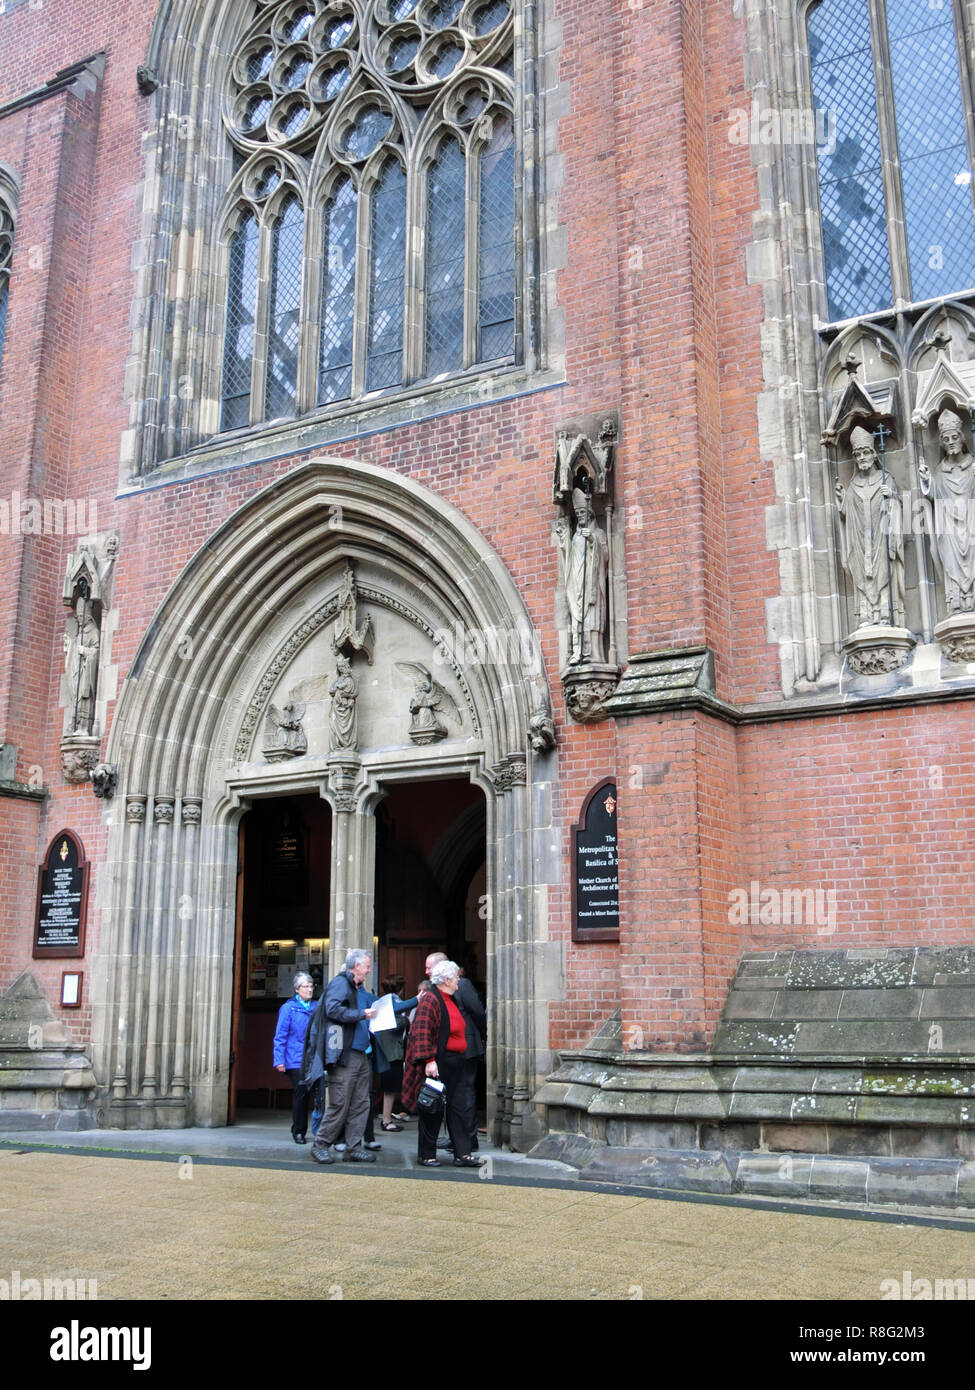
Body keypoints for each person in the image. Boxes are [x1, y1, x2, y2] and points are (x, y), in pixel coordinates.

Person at [402, 960, 484, 1168]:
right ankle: (426, 1154)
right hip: (439, 1062)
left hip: (456, 1061)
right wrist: (429, 1060)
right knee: (433, 1108)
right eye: (456, 977)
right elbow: (421, 1032)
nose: (459, 980)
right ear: (446, 980)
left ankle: (463, 1153)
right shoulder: (430, 999)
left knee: (458, 1107)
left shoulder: (452, 998)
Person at [306, 948, 377, 1165]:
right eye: (366, 966)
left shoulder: (356, 987)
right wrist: (361, 1014)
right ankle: (320, 1144)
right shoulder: (340, 983)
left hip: (360, 1055)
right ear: (356, 966)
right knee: (340, 1102)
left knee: (361, 1103)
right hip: (344, 1055)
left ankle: (353, 1148)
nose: (368, 969)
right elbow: (332, 1009)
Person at [835, 425, 904, 628]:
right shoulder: (853, 485)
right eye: (858, 454)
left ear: (874, 455)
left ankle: (884, 613)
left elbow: (897, 506)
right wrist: (841, 500)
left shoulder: (886, 479)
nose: (862, 457)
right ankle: (866, 615)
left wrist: (891, 497)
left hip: (881, 539)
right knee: (861, 572)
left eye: (866, 453)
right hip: (860, 541)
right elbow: (847, 513)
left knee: (883, 570)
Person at [425, 951, 485, 1154]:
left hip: (467, 1048)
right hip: (449, 1052)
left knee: (465, 1095)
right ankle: (457, 1139)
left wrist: (480, 1035)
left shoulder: (463, 984)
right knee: (452, 1097)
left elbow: (477, 1011)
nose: (426, 972)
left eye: (429, 968)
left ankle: (469, 1138)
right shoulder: (434, 992)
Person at [919, 407, 975, 614]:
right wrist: (927, 480)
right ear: (941, 442)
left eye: (954, 437)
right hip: (950, 530)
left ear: (962, 439)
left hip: (971, 527)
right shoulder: (940, 472)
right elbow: (936, 496)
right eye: (946, 438)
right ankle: (956, 600)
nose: (951, 442)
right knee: (950, 560)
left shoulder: (972, 467)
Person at [273, 971, 316, 1144]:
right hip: (295, 1057)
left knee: (316, 1093)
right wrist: (279, 1060)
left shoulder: (316, 1006)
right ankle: (298, 1131)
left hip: (312, 1057)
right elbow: (280, 1035)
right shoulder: (288, 1008)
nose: (309, 989)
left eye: (311, 986)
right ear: (297, 989)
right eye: (306, 986)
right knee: (301, 1092)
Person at [373, 974, 419, 1130]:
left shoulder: (382, 1001)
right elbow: (394, 1024)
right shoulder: (391, 1003)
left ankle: (387, 1118)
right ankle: (386, 1120)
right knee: (390, 1088)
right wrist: (406, 1021)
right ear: (400, 989)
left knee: (389, 1087)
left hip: (387, 1050)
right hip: (391, 1052)